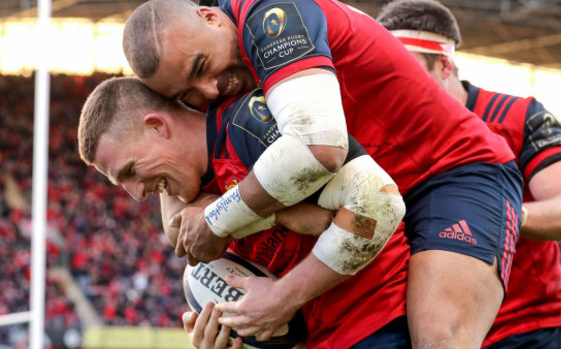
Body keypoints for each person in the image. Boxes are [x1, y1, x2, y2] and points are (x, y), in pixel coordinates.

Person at [122, 0, 523, 348]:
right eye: (186, 94)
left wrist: (217, 220)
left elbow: (318, 149)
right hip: (376, 195)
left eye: (200, 67)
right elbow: (180, 227)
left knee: (437, 340)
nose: (209, 90)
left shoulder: (271, 11)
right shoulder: (220, 81)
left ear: (210, 17)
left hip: (453, 171)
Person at [77, 76, 411, 349]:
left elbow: (375, 207)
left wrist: (282, 291)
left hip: (379, 323)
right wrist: (238, 338)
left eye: (131, 170)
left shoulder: (252, 127)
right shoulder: (195, 218)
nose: (137, 195)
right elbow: (283, 320)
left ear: (157, 127)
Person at [376, 0, 561, 349]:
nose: (396, 85)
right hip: (430, 333)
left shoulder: (516, 116)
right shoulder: (381, 131)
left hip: (526, 330)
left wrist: (493, 213)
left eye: (408, 70)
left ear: (444, 66)